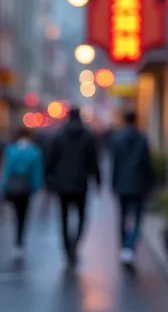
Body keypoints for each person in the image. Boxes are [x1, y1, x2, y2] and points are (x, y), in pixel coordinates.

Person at [46, 107, 101, 265]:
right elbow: (93, 161)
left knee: (63, 217)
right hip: (80, 184)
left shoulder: (59, 136)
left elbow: (51, 160)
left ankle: (66, 247)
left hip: (62, 184)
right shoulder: (87, 136)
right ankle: (75, 244)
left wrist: (48, 181)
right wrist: (97, 180)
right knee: (82, 216)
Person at [112, 111, 154, 266]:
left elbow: (115, 164)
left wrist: (113, 184)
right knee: (137, 218)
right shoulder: (142, 139)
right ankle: (129, 248)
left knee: (122, 217)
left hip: (122, 184)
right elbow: (147, 164)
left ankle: (125, 246)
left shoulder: (117, 140)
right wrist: (150, 184)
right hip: (138, 184)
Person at [0, 128, 43, 260]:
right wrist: (36, 188)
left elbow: (6, 171)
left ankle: (16, 241)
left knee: (12, 214)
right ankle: (19, 241)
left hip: (12, 187)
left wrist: (3, 188)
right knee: (23, 216)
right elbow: (36, 173)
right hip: (26, 189)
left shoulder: (11, 150)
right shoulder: (34, 152)